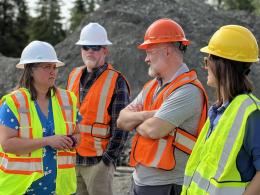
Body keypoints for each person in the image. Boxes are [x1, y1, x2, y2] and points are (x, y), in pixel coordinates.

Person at [117, 18, 208, 195]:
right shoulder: (151, 87)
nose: (146, 58)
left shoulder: (188, 90)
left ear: (167, 51)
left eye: (150, 51)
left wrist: (137, 121)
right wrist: (148, 115)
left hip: (169, 186)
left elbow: (154, 130)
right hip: (141, 181)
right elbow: (121, 120)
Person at [181, 25, 260, 195]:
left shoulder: (251, 113)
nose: (205, 67)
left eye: (207, 60)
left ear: (221, 64)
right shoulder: (219, 111)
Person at [0, 40, 81, 195]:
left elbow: (78, 133)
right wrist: (48, 141)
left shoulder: (68, 99)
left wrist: (72, 140)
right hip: (22, 188)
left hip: (59, 188)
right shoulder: (13, 103)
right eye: (46, 67)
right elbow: (7, 145)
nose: (53, 72)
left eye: (54, 67)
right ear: (30, 70)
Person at [67, 22, 130, 195]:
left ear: (105, 50)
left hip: (98, 164)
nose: (89, 51)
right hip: (73, 160)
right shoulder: (73, 76)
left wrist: (107, 161)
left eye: (95, 47)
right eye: (85, 46)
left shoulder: (116, 81)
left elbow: (122, 127)